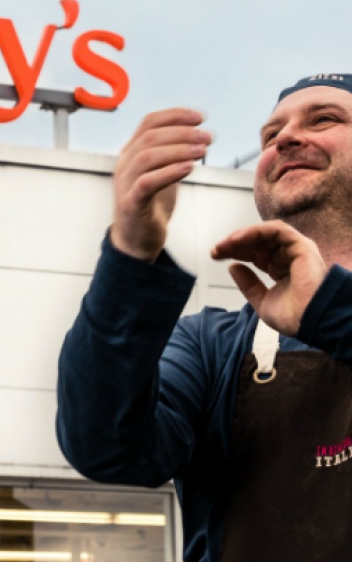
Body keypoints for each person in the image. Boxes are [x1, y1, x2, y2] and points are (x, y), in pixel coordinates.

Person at [56, 74, 352, 562]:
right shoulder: (207, 346)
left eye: (324, 119)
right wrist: (131, 254)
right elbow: (105, 448)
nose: (285, 138)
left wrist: (330, 310)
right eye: (269, 135)